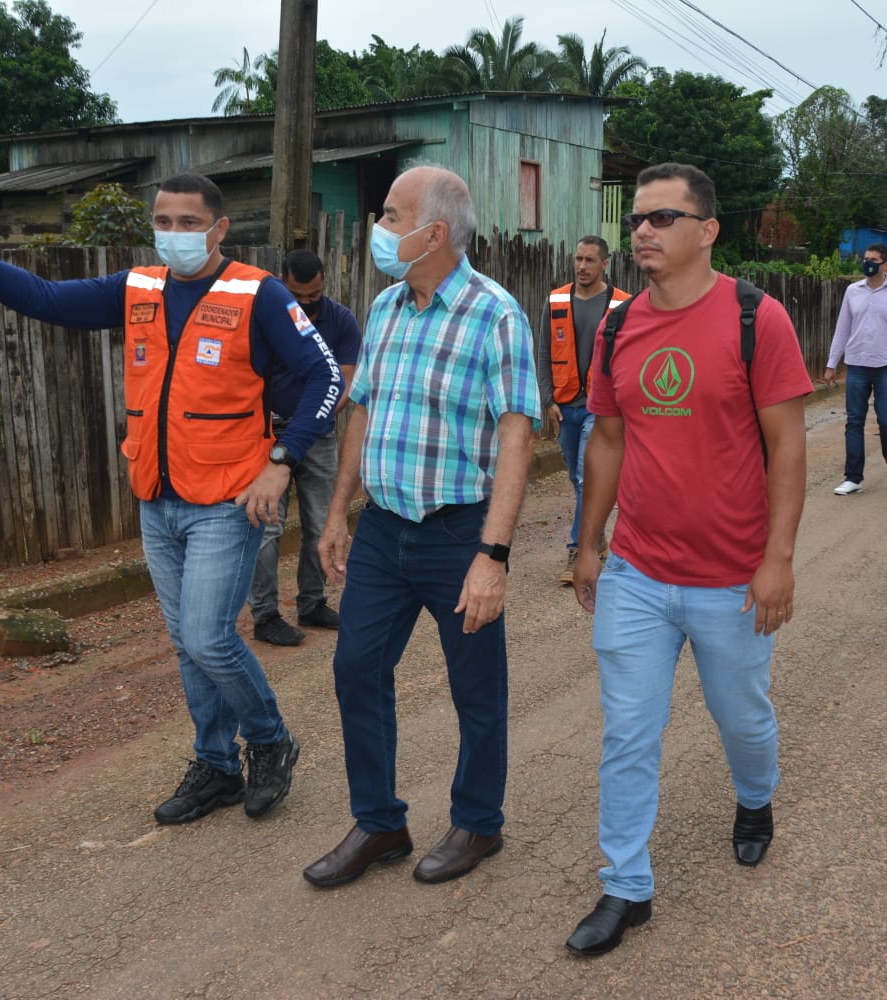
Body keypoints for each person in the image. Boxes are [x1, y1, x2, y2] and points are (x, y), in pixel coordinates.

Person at [0, 174, 343, 825]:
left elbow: (324, 376)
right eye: (164, 221)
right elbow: (41, 298)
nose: (174, 234)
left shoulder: (257, 293)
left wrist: (281, 461)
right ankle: (215, 764)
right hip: (157, 500)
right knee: (187, 643)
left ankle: (268, 741)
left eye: (188, 222)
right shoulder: (138, 288)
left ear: (219, 229)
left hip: (229, 502)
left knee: (209, 639)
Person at [563, 162, 811, 957]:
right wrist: (588, 543)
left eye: (665, 217)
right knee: (629, 731)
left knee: (743, 718)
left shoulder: (755, 318)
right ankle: (626, 887)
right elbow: (607, 438)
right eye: (639, 217)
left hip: (733, 579)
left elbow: (787, 445)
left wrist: (778, 558)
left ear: (707, 230)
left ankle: (754, 798)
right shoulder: (616, 325)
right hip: (638, 571)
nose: (643, 230)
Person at [302, 165, 540, 889]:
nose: (379, 226)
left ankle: (478, 823)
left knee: (476, 689)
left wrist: (492, 555)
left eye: (389, 214)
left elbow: (517, 436)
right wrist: (339, 509)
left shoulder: (495, 315)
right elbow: (363, 410)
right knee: (355, 669)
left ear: (433, 232)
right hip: (384, 529)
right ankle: (380, 824)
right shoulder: (388, 309)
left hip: (458, 532)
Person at [247, 250, 361, 646]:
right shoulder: (266, 316)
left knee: (321, 521)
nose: (308, 304)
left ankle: (312, 602)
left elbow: (344, 384)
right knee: (266, 525)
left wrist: (309, 422)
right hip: (267, 434)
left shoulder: (341, 321)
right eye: (300, 295)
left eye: (315, 295)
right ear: (283, 284)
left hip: (318, 435)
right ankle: (265, 615)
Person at [536, 236, 631, 585]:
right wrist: (548, 401)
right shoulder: (556, 299)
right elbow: (544, 352)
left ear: (605, 264)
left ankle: (578, 549)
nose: (582, 266)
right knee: (579, 481)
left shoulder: (623, 305)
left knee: (587, 477)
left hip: (601, 408)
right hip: (564, 406)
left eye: (590, 260)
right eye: (578, 259)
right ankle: (597, 535)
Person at [823, 243, 887, 495]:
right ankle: (853, 477)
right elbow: (842, 328)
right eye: (866, 258)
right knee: (854, 421)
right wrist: (832, 364)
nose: (868, 263)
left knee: (886, 419)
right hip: (857, 365)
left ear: (885, 264)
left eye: (874, 259)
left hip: (885, 365)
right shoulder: (853, 291)